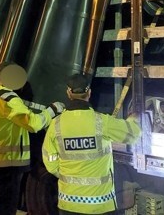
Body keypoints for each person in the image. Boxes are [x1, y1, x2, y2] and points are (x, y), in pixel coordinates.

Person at [42, 73, 142, 215]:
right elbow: (134, 134)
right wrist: (133, 119)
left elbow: (51, 164)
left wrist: (70, 176)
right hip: (99, 204)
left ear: (68, 93)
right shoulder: (102, 122)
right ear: (89, 92)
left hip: (68, 204)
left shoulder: (55, 125)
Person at [0, 63, 64, 215]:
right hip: (7, 164)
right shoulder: (8, 99)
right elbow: (33, 123)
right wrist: (52, 110)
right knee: (5, 209)